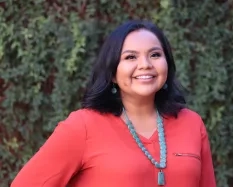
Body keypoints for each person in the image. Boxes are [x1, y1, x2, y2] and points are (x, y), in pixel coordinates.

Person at [11, 20, 216, 187]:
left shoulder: (191, 123)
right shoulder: (82, 126)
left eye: (155, 54)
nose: (145, 64)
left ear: (167, 65)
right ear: (113, 73)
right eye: (130, 57)